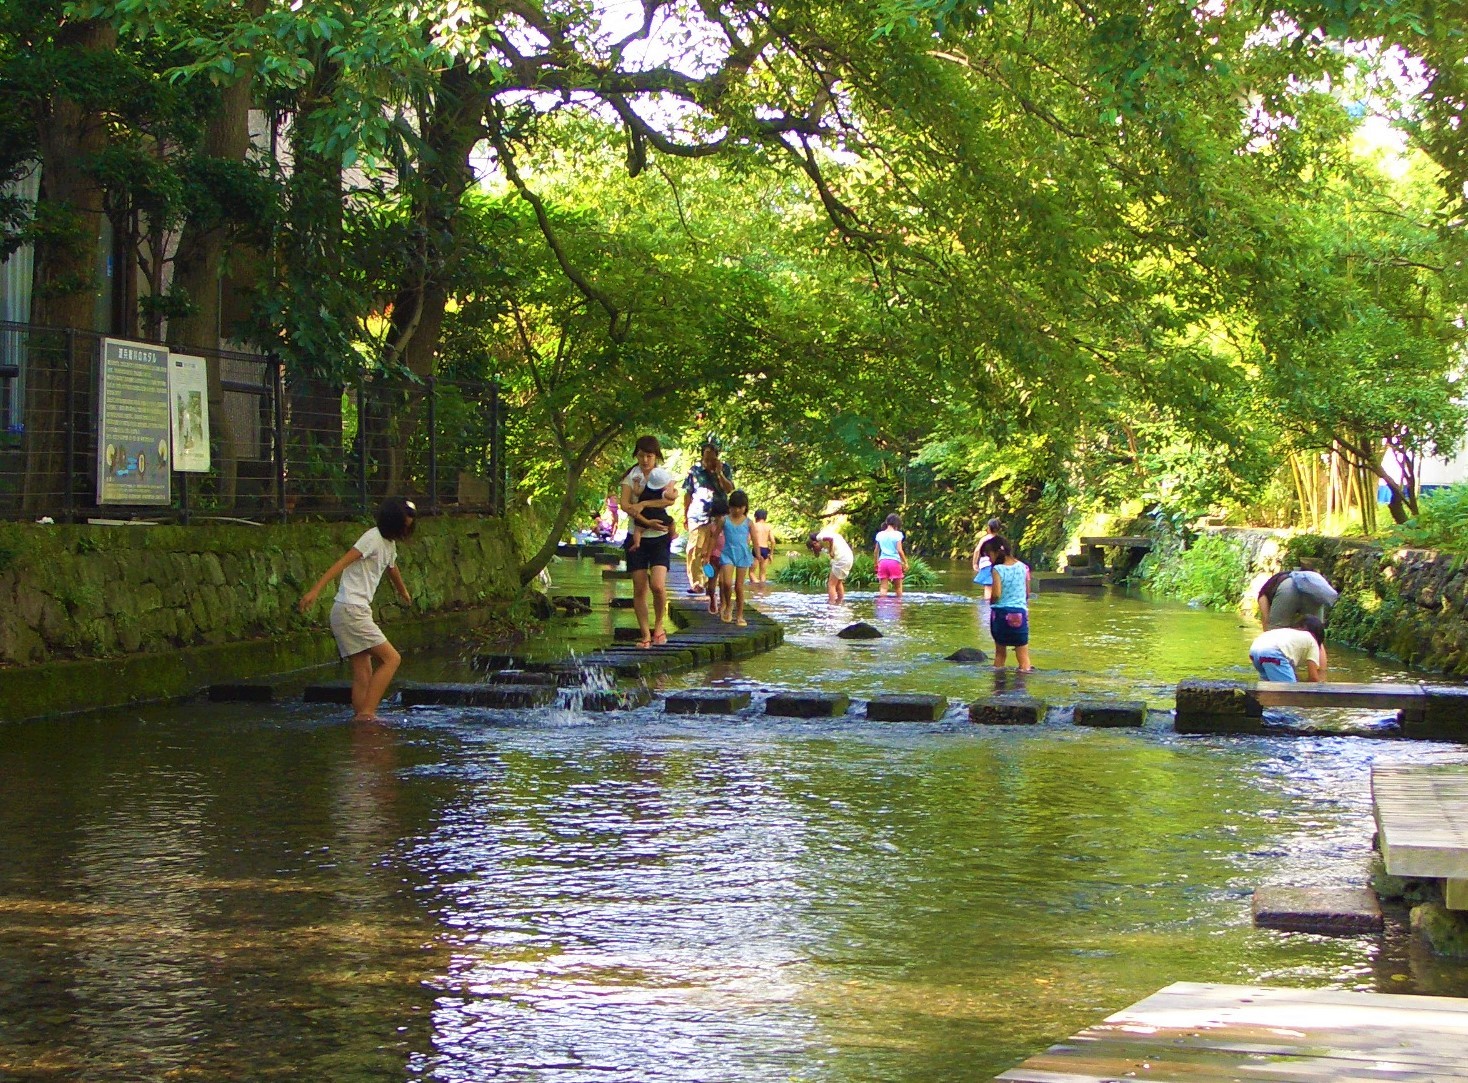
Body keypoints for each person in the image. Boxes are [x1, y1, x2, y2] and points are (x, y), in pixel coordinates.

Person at [299, 496, 417, 721]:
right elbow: (342, 562)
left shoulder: (388, 545)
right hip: (352, 611)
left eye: (408, 528)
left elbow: (392, 568)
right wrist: (315, 591)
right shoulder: (371, 538)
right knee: (392, 659)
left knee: (364, 673)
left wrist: (402, 591)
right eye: (403, 526)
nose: (404, 532)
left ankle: (361, 727)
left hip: (349, 611)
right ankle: (367, 715)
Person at [620, 435, 679, 647]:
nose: (645, 460)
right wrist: (646, 521)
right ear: (636, 455)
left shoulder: (662, 475)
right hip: (637, 534)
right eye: (642, 455)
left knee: (658, 585)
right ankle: (645, 634)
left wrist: (644, 503)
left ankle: (659, 626)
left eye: (650, 456)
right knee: (639, 587)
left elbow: (670, 499)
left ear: (656, 457)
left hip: (660, 537)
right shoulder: (631, 477)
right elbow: (625, 504)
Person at [682, 441, 735, 593]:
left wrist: (719, 474)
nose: (708, 461)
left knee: (714, 551)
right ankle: (697, 582)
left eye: (712, 458)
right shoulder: (695, 471)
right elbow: (688, 494)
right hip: (698, 515)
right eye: (706, 457)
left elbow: (729, 489)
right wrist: (685, 515)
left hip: (719, 514)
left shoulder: (724, 468)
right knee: (695, 549)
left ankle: (709, 580)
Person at [983, 535, 1033, 671]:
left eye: (989, 556)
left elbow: (997, 594)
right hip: (1020, 615)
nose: (989, 559)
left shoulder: (998, 569)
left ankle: (998, 687)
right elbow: (1027, 593)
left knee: (1000, 654)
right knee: (1023, 656)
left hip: (1001, 615)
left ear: (997, 552)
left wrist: (991, 601)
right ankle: (1022, 687)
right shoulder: (1024, 567)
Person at [1249, 615, 1327, 682]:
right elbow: (1313, 678)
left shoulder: (1289, 633)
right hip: (1272, 653)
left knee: (1268, 688)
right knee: (1290, 693)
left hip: (1254, 650)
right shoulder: (1312, 641)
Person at [1258, 567, 1339, 631]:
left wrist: (1270, 629)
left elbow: (1266, 623)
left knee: (1275, 633)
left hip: (1287, 588)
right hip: (1313, 590)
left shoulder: (1263, 593)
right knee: (1315, 634)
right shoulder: (1308, 580)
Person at [720, 490, 755, 625]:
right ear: (730, 507)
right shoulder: (725, 520)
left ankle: (740, 615)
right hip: (727, 554)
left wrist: (758, 556)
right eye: (734, 507)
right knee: (727, 583)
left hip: (743, 555)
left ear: (745, 507)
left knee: (739, 586)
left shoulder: (749, 522)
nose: (738, 510)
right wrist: (707, 553)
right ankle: (728, 606)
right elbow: (714, 536)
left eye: (741, 507)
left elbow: (756, 541)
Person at [692, 495, 728, 616]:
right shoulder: (711, 527)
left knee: (724, 583)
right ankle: (712, 598)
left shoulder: (729, 527)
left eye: (723, 515)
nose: (720, 518)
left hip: (726, 558)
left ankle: (724, 605)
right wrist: (705, 555)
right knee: (711, 584)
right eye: (718, 515)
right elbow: (708, 540)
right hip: (713, 557)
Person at [808, 525, 854, 604]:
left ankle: (831, 604)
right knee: (838, 582)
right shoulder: (830, 534)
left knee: (831, 584)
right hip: (849, 558)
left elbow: (830, 540)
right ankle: (840, 602)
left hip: (841, 559)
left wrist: (831, 550)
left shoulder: (819, 537)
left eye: (813, 548)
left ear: (815, 543)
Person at [874, 513, 909, 598]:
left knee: (883, 587)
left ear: (887, 522)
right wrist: (905, 562)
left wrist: (876, 563)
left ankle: (882, 607)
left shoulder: (880, 534)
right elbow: (899, 550)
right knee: (898, 587)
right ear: (897, 524)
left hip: (882, 562)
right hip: (894, 562)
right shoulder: (898, 534)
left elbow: (876, 551)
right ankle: (898, 606)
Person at [971, 517, 1003, 600]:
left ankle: (986, 606)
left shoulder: (985, 539)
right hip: (999, 566)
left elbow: (977, 550)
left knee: (988, 586)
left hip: (987, 565)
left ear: (988, 528)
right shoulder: (1001, 540)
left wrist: (974, 563)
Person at [750, 509, 774, 584]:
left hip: (757, 549)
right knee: (763, 574)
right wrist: (771, 554)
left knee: (751, 573)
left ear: (756, 517)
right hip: (766, 550)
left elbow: (748, 539)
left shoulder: (754, 525)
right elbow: (773, 541)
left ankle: (757, 586)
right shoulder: (768, 527)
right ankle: (762, 589)